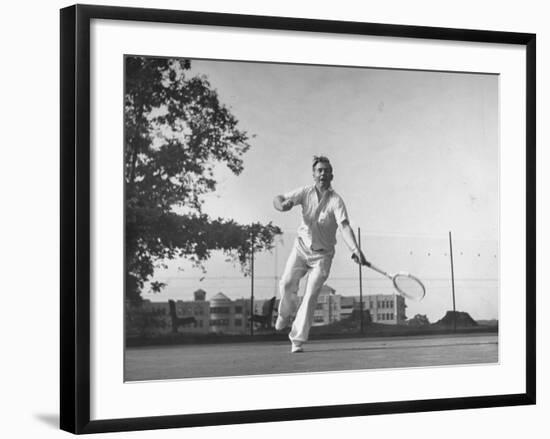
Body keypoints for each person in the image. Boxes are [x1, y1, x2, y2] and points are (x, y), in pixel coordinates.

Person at [273, 155, 367, 353]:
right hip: (300, 248)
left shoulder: (336, 201)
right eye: (319, 170)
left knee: (310, 296)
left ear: (332, 175)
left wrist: (355, 250)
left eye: (326, 170)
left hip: (322, 257)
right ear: (314, 174)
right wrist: (282, 206)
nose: (323, 173)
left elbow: (345, 227)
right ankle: (284, 315)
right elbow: (278, 198)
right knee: (287, 284)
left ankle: (297, 340)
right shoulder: (305, 192)